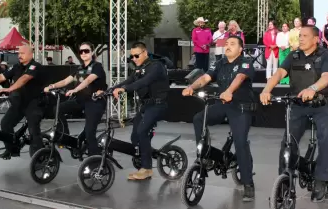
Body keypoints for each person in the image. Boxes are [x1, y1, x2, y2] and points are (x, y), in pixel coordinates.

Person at [260, 25, 328, 202]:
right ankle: (284, 179)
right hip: (299, 104)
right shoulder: (293, 55)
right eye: (299, 35)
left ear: (316, 39)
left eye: (304, 36)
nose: (300, 38)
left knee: (325, 135)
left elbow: (326, 77)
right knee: (288, 140)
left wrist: (313, 88)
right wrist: (266, 90)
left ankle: (321, 179)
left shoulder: (325, 56)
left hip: (322, 104)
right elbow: (279, 72)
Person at [182, 36, 256, 202]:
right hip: (223, 104)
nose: (228, 46)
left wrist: (229, 91)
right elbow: (206, 78)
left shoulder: (245, 62)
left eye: (232, 44)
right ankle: (205, 154)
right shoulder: (220, 63)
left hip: (240, 108)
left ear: (240, 49)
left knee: (240, 143)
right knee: (198, 118)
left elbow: (240, 78)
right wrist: (191, 87)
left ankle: (248, 184)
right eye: (226, 44)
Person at [111, 42, 169, 180]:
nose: (134, 59)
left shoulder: (156, 66)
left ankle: (147, 168)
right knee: (135, 137)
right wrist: (109, 90)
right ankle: (146, 155)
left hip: (159, 105)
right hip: (146, 106)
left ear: (145, 53)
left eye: (136, 55)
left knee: (142, 131)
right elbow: (128, 81)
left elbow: (144, 82)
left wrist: (124, 90)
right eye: (132, 56)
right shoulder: (139, 68)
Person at [0, 45, 47, 158]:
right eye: (18, 53)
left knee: (33, 129)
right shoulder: (16, 67)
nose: (19, 55)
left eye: (22, 53)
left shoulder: (35, 66)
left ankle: (41, 157)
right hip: (19, 103)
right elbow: (2, 76)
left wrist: (9, 88)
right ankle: (11, 149)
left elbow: (24, 78)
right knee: (6, 123)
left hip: (34, 103)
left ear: (31, 54)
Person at [45, 42, 107, 156]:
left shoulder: (97, 66)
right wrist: (51, 86)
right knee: (57, 109)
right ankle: (66, 136)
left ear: (92, 52)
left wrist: (75, 89)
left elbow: (88, 80)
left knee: (89, 133)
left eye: (86, 51)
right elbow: (65, 81)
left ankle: (96, 161)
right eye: (81, 51)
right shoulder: (78, 68)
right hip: (81, 101)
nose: (83, 53)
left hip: (95, 103)